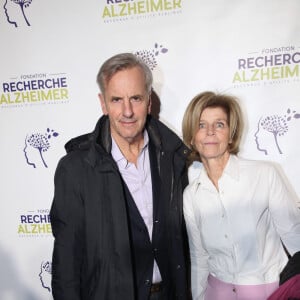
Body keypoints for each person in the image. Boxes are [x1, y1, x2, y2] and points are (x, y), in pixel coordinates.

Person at [50, 53, 191, 300]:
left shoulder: (173, 157)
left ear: (149, 101)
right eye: (116, 99)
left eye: (135, 98)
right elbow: (66, 263)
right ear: (103, 103)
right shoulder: (75, 170)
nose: (127, 111)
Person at [181, 91, 300, 300]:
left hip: (270, 292)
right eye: (201, 125)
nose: (210, 132)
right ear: (192, 137)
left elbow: (296, 239)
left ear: (231, 134)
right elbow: (199, 258)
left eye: (219, 124)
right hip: (216, 293)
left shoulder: (264, 174)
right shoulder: (191, 195)